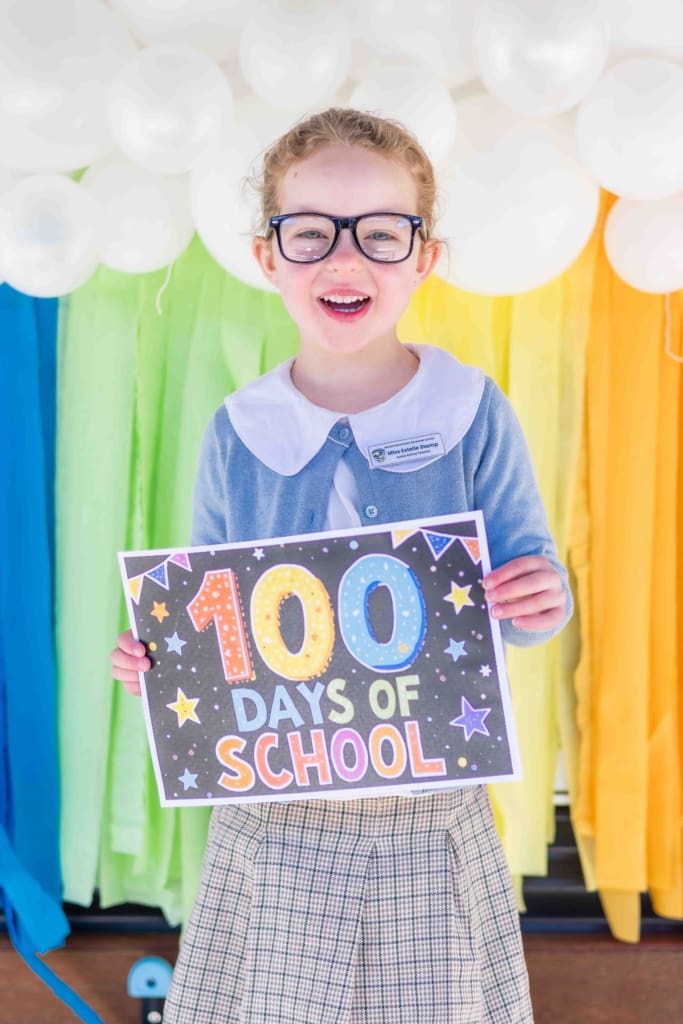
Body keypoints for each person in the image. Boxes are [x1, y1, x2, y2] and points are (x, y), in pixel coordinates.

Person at [112, 107, 571, 1024]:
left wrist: (538, 596)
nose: (343, 257)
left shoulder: (471, 411)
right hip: (274, 817)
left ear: (423, 258)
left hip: (425, 813)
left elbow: (527, 596)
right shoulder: (238, 432)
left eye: (380, 232)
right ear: (268, 255)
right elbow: (209, 619)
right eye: (311, 232)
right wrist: (158, 663)